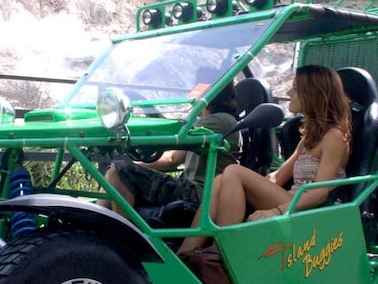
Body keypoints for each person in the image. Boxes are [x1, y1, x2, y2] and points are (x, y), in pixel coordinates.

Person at [178, 64, 351, 254]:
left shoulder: (334, 136)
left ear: (313, 93)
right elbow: (277, 177)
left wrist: (276, 211)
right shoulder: (310, 136)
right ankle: (185, 255)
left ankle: (222, 254)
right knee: (220, 179)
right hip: (293, 201)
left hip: (314, 211)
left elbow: (320, 193)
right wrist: (245, 185)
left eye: (295, 88)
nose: (288, 92)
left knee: (233, 172)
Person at [98, 81, 242, 217]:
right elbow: (172, 158)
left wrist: (129, 167)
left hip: (199, 194)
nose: (192, 95)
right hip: (190, 188)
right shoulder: (205, 124)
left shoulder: (219, 121)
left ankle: (120, 234)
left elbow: (172, 135)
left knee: (118, 172)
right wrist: (136, 166)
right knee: (117, 171)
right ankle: (95, 221)